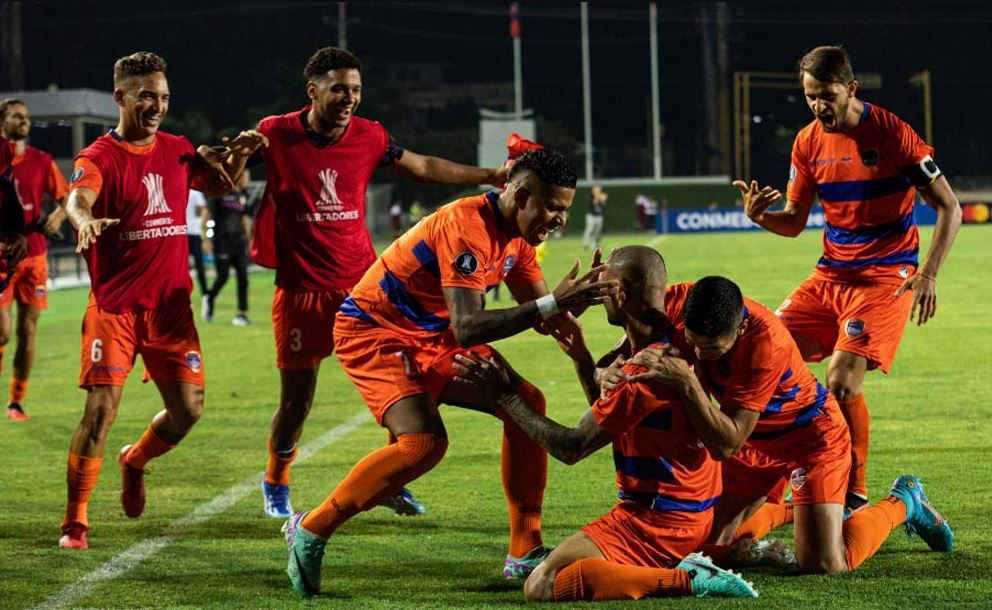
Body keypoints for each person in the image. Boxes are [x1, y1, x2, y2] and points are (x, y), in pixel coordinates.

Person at [281, 148, 618, 597]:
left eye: (565, 209)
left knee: (526, 403)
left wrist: (579, 305)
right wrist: (552, 303)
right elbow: (469, 327)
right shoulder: (467, 226)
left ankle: (525, 548)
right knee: (422, 444)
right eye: (553, 207)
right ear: (520, 197)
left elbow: (542, 314)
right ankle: (310, 527)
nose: (560, 219)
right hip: (376, 329)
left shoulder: (519, 239)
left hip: (433, 332)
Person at [252, 47, 510, 521]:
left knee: (407, 383)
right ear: (312, 91)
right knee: (296, 401)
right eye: (339, 89)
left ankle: (393, 480)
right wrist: (220, 162)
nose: (349, 98)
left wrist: (489, 175)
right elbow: (223, 175)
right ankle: (276, 479)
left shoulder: (370, 135)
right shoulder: (275, 133)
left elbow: (424, 167)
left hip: (367, 290)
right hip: (301, 291)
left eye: (355, 90)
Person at [453, 246, 757, 601]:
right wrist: (583, 359)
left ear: (619, 294)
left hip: (656, 522)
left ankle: (687, 578)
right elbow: (612, 417)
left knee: (543, 584)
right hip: (690, 510)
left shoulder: (642, 369)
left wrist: (505, 396)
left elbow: (572, 446)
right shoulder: (673, 342)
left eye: (603, 283)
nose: (595, 290)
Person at [735, 46, 962, 514]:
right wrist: (761, 217)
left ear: (851, 89)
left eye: (827, 95)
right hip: (830, 275)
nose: (819, 105)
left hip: (886, 276)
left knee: (840, 380)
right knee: (760, 356)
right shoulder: (807, 143)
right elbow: (794, 221)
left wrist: (929, 273)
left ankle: (852, 492)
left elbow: (950, 207)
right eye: (810, 96)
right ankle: (775, 474)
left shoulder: (893, 133)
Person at [57, 51, 264, 550]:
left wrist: (239, 155)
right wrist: (85, 222)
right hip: (114, 308)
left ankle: (135, 461)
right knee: (100, 412)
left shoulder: (177, 148)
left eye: (164, 97)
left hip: (170, 312)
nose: (157, 105)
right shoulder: (97, 157)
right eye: (146, 96)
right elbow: (77, 199)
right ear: (120, 97)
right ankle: (75, 522)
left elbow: (218, 185)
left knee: (188, 411)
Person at [622, 276, 953, 574]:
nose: (698, 353)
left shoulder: (765, 344)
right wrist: (604, 309)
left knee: (824, 563)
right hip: (753, 439)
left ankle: (904, 501)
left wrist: (687, 382)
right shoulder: (685, 301)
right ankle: (802, 509)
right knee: (703, 543)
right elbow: (633, 311)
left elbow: (726, 445)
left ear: (740, 328)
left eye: (711, 348)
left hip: (809, 439)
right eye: (693, 342)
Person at [0, 98, 69, 421]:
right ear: (2, 122)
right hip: (2, 256)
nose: (24, 120)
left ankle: (16, 401)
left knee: (28, 332)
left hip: (35, 255)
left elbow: (68, 199)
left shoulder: (41, 161)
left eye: (26, 116)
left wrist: (57, 217)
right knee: (2, 331)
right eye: (17, 116)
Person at [203, 170, 252, 326]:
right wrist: (206, 239)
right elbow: (207, 213)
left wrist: (249, 240)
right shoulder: (221, 192)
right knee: (223, 277)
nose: (247, 179)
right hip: (222, 241)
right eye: (245, 176)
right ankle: (209, 299)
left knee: (243, 277)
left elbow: (245, 218)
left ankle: (241, 314)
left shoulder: (242, 195)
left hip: (239, 242)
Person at [186, 188, 208, 298]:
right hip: (194, 232)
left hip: (182, 233)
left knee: (183, 266)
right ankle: (205, 292)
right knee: (199, 265)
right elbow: (201, 210)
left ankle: (184, 291)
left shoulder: (181, 189)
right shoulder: (195, 192)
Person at [581, 184, 606, 250]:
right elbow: (591, 204)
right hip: (591, 216)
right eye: (596, 190)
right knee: (589, 229)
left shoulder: (602, 196)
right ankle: (585, 243)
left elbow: (603, 207)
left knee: (598, 231)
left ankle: (595, 244)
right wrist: (598, 198)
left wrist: (603, 201)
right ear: (593, 190)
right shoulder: (590, 196)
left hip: (599, 216)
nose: (598, 191)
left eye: (599, 190)